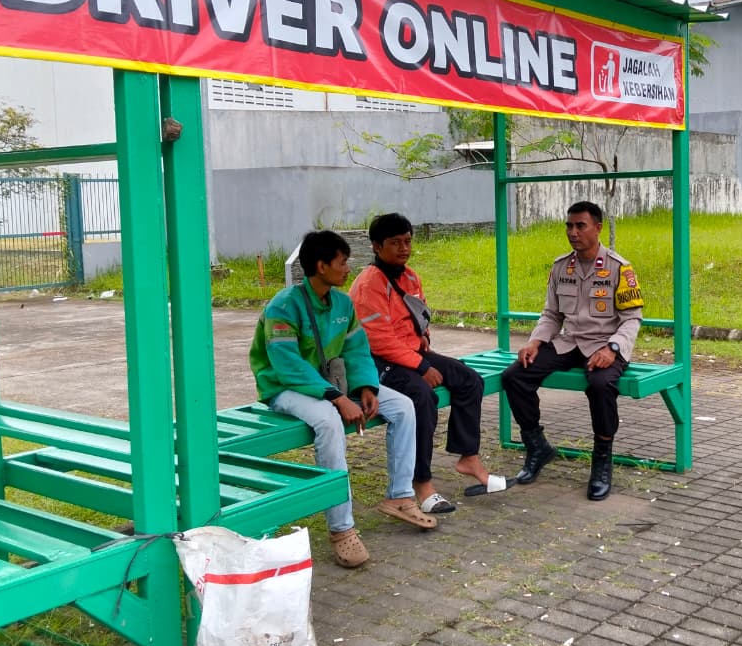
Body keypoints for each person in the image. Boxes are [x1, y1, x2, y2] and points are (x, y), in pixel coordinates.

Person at [249, 229, 437, 569]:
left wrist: (366, 387)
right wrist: (337, 397)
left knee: (403, 407)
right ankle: (342, 529)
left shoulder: (342, 303)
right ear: (321, 266)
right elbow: (287, 365)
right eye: (342, 262)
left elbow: (356, 350)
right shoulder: (283, 306)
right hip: (285, 388)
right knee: (328, 422)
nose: (348, 269)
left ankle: (400, 496)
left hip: (330, 384)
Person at [349, 213, 513, 512]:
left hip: (410, 353)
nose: (404, 248)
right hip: (378, 361)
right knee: (421, 397)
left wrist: (423, 336)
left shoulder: (410, 276)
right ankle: (422, 483)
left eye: (407, 241)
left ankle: (468, 457)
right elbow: (378, 340)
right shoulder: (368, 284)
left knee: (469, 380)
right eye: (395, 243)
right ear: (376, 246)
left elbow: (420, 313)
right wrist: (421, 366)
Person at [500, 201, 644, 501]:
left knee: (601, 385)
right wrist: (535, 341)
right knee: (515, 376)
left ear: (598, 228)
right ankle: (537, 446)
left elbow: (632, 319)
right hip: (571, 342)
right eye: (569, 225)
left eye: (580, 226)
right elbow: (552, 314)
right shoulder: (561, 267)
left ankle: (602, 460)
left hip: (605, 344)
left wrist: (613, 348)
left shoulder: (619, 268)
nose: (573, 232)